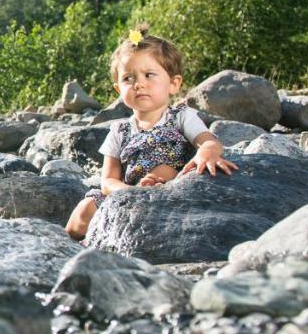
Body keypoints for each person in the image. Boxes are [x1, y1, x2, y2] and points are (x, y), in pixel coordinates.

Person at [64, 29, 237, 240]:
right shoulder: (119, 130)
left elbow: (209, 141)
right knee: (83, 210)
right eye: (128, 78)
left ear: (174, 83)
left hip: (170, 186)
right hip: (128, 192)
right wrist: (128, 192)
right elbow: (108, 179)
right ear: (119, 89)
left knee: (163, 170)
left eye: (149, 75)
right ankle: (69, 243)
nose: (139, 84)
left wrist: (206, 153)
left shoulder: (181, 116)